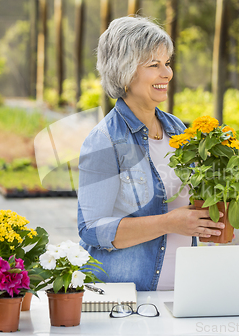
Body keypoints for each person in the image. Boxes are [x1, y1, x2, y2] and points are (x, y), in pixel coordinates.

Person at [77, 16, 224, 291]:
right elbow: (92, 229)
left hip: (184, 292)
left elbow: (189, 200)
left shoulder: (177, 128)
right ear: (125, 71)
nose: (167, 73)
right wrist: (169, 223)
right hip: (129, 297)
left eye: (167, 63)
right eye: (154, 65)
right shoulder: (105, 140)